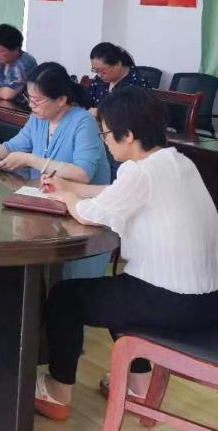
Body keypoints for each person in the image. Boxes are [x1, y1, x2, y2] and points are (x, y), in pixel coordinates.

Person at [33, 87, 218, 422]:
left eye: (105, 133)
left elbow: (89, 214)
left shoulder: (140, 172)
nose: (105, 141)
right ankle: (139, 387)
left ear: (128, 135)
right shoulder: (178, 162)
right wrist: (71, 188)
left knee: (65, 298)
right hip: (207, 303)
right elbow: (118, 193)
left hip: (168, 302)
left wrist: (67, 199)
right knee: (118, 295)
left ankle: (58, 391)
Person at [0, 61, 112, 278]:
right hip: (47, 205)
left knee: (66, 279)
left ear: (61, 100)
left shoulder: (83, 122)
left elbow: (82, 174)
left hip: (80, 217)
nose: (31, 105)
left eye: (37, 100)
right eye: (29, 98)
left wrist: (30, 160)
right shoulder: (39, 119)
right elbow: (10, 148)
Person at [88, 42, 150, 111]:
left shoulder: (138, 85)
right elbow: (87, 103)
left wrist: (100, 113)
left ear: (118, 64)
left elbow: (136, 114)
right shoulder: (98, 80)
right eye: (95, 70)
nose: (99, 75)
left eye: (102, 70)